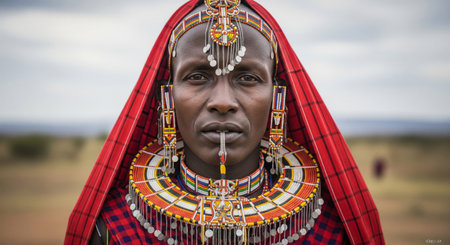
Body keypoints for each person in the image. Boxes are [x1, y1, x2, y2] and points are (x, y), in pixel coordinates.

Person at [65, 1, 384, 244]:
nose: (222, 102)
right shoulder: (115, 231)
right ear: (167, 96)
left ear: (277, 96)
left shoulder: (328, 229)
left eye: (247, 77)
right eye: (197, 76)